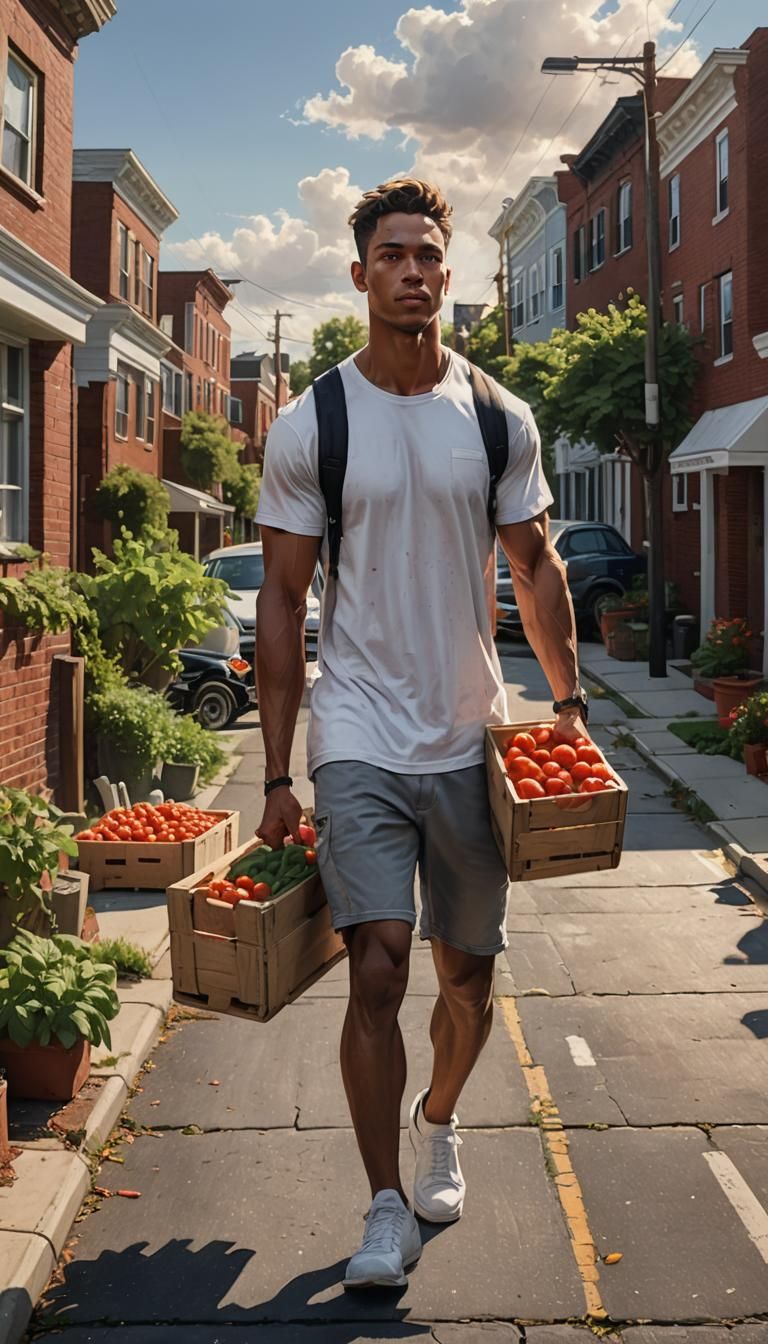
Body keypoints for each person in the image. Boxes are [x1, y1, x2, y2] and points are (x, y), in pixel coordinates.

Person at [255, 178, 588, 1290]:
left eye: (429, 255)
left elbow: (536, 569)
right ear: (360, 276)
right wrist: (275, 771)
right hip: (355, 727)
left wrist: (573, 711)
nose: (411, 270)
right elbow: (281, 599)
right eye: (391, 254)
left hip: (467, 729)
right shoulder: (314, 422)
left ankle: (439, 1115)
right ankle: (384, 1203)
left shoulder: (498, 417)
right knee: (379, 966)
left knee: (469, 976)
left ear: (449, 273)